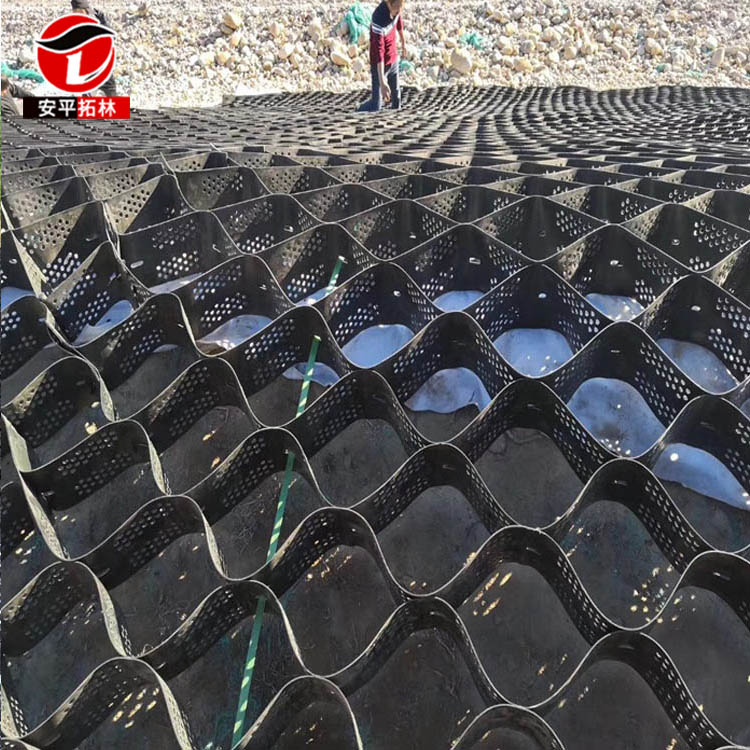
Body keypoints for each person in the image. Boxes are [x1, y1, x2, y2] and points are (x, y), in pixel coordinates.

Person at [358, 0, 406, 112]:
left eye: (401, 8)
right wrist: (382, 81)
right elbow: (379, 53)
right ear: (389, 3)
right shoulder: (378, 19)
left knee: (397, 99)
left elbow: (399, 23)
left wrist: (403, 44)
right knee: (376, 106)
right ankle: (359, 108)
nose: (399, 11)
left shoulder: (396, 11)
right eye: (397, 9)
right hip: (379, 66)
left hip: (393, 60)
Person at [70, 0, 117, 96]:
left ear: (86, 11)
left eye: (80, 11)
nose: (78, 14)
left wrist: (104, 24)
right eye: (75, 11)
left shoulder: (95, 23)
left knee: (111, 97)